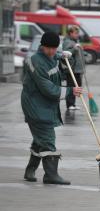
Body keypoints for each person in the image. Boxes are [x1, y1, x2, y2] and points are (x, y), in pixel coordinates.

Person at [21, 32, 82, 185]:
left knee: (39, 139)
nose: (52, 52)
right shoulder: (36, 62)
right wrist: (69, 91)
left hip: (44, 104)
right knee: (47, 139)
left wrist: (68, 58)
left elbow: (65, 68)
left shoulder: (53, 56)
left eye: (55, 49)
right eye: (49, 49)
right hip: (35, 105)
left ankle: (30, 170)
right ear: (42, 46)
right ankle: (50, 175)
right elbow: (48, 89)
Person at [62, 26, 85, 110]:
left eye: (78, 33)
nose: (77, 35)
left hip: (77, 69)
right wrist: (74, 49)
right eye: (75, 33)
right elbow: (66, 53)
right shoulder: (67, 42)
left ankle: (73, 103)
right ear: (70, 33)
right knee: (71, 86)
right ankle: (69, 104)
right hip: (72, 69)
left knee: (76, 86)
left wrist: (84, 53)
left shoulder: (75, 41)